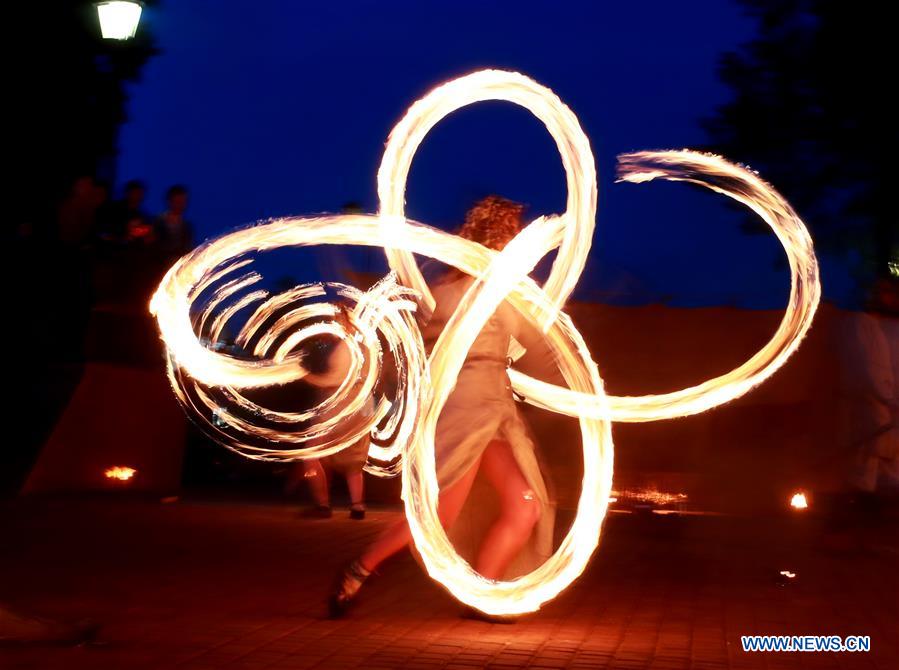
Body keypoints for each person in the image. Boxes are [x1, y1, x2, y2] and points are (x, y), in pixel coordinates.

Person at [328, 195, 553, 619]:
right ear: (497, 243)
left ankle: (482, 593)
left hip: (495, 410)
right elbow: (530, 342)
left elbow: (524, 344)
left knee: (525, 504)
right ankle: (359, 569)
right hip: (467, 410)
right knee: (439, 516)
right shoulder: (472, 293)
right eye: (512, 238)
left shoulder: (490, 292)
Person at [290, 305, 371, 519]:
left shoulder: (346, 348)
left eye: (336, 319)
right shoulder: (365, 347)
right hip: (359, 409)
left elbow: (335, 380)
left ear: (346, 322)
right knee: (353, 461)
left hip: (340, 408)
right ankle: (358, 507)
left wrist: (306, 376)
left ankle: (323, 505)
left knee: (311, 454)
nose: (333, 323)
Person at [153, 184, 194, 261]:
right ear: (170, 201)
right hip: (159, 264)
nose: (180, 205)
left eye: (183, 201)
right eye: (177, 201)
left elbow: (188, 248)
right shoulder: (157, 223)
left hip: (178, 264)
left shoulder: (186, 227)